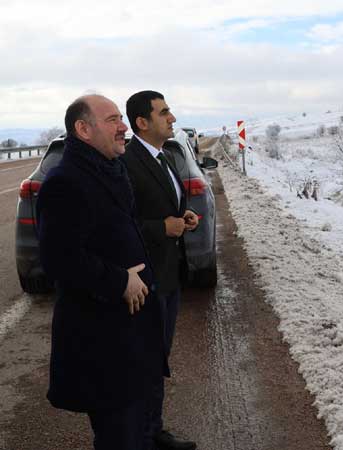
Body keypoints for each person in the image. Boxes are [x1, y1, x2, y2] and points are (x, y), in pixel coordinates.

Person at [37, 94, 166, 450]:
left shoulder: (110, 169)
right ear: (83, 129)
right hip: (103, 342)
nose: (123, 126)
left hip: (131, 335)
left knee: (136, 429)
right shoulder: (65, 181)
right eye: (112, 120)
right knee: (118, 437)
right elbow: (58, 258)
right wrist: (120, 280)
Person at [124, 90, 198, 450]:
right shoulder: (127, 161)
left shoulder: (164, 156)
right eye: (164, 112)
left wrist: (183, 218)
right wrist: (160, 227)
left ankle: (153, 430)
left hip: (168, 275)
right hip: (144, 279)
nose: (172, 118)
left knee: (158, 360)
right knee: (143, 361)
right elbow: (119, 222)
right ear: (142, 122)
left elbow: (166, 206)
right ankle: (141, 435)